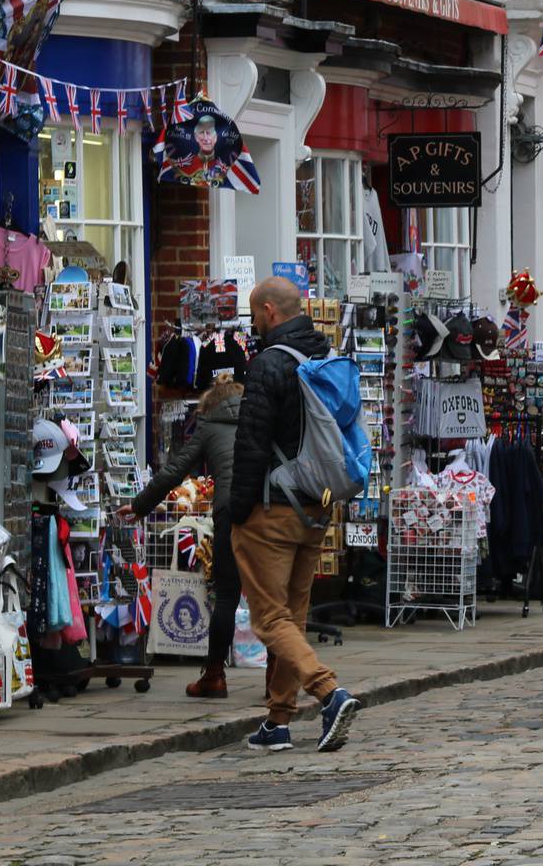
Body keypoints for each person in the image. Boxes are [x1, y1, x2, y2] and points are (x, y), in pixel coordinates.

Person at [229, 276, 362, 755]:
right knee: (293, 619)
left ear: (269, 311)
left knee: (269, 619)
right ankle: (278, 721)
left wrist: (237, 510)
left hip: (271, 510)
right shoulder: (322, 357)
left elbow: (251, 444)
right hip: (316, 504)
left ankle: (330, 693)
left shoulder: (268, 365)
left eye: (254, 314)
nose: (253, 323)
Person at [118, 368, 241, 700]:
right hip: (268, 509)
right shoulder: (259, 420)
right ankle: (277, 678)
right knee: (273, 599)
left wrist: (141, 505)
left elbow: (175, 471)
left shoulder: (209, 425)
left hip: (231, 510)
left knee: (227, 597)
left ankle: (214, 676)